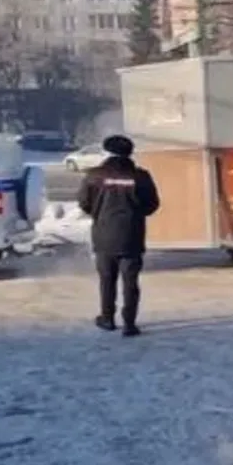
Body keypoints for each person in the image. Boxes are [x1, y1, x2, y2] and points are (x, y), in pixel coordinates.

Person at [77, 135, 161, 337]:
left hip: (104, 236)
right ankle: (130, 324)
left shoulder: (94, 175)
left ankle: (107, 319)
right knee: (130, 282)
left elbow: (84, 203)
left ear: (106, 152)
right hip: (132, 236)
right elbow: (152, 205)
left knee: (107, 280)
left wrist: (100, 212)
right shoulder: (140, 176)